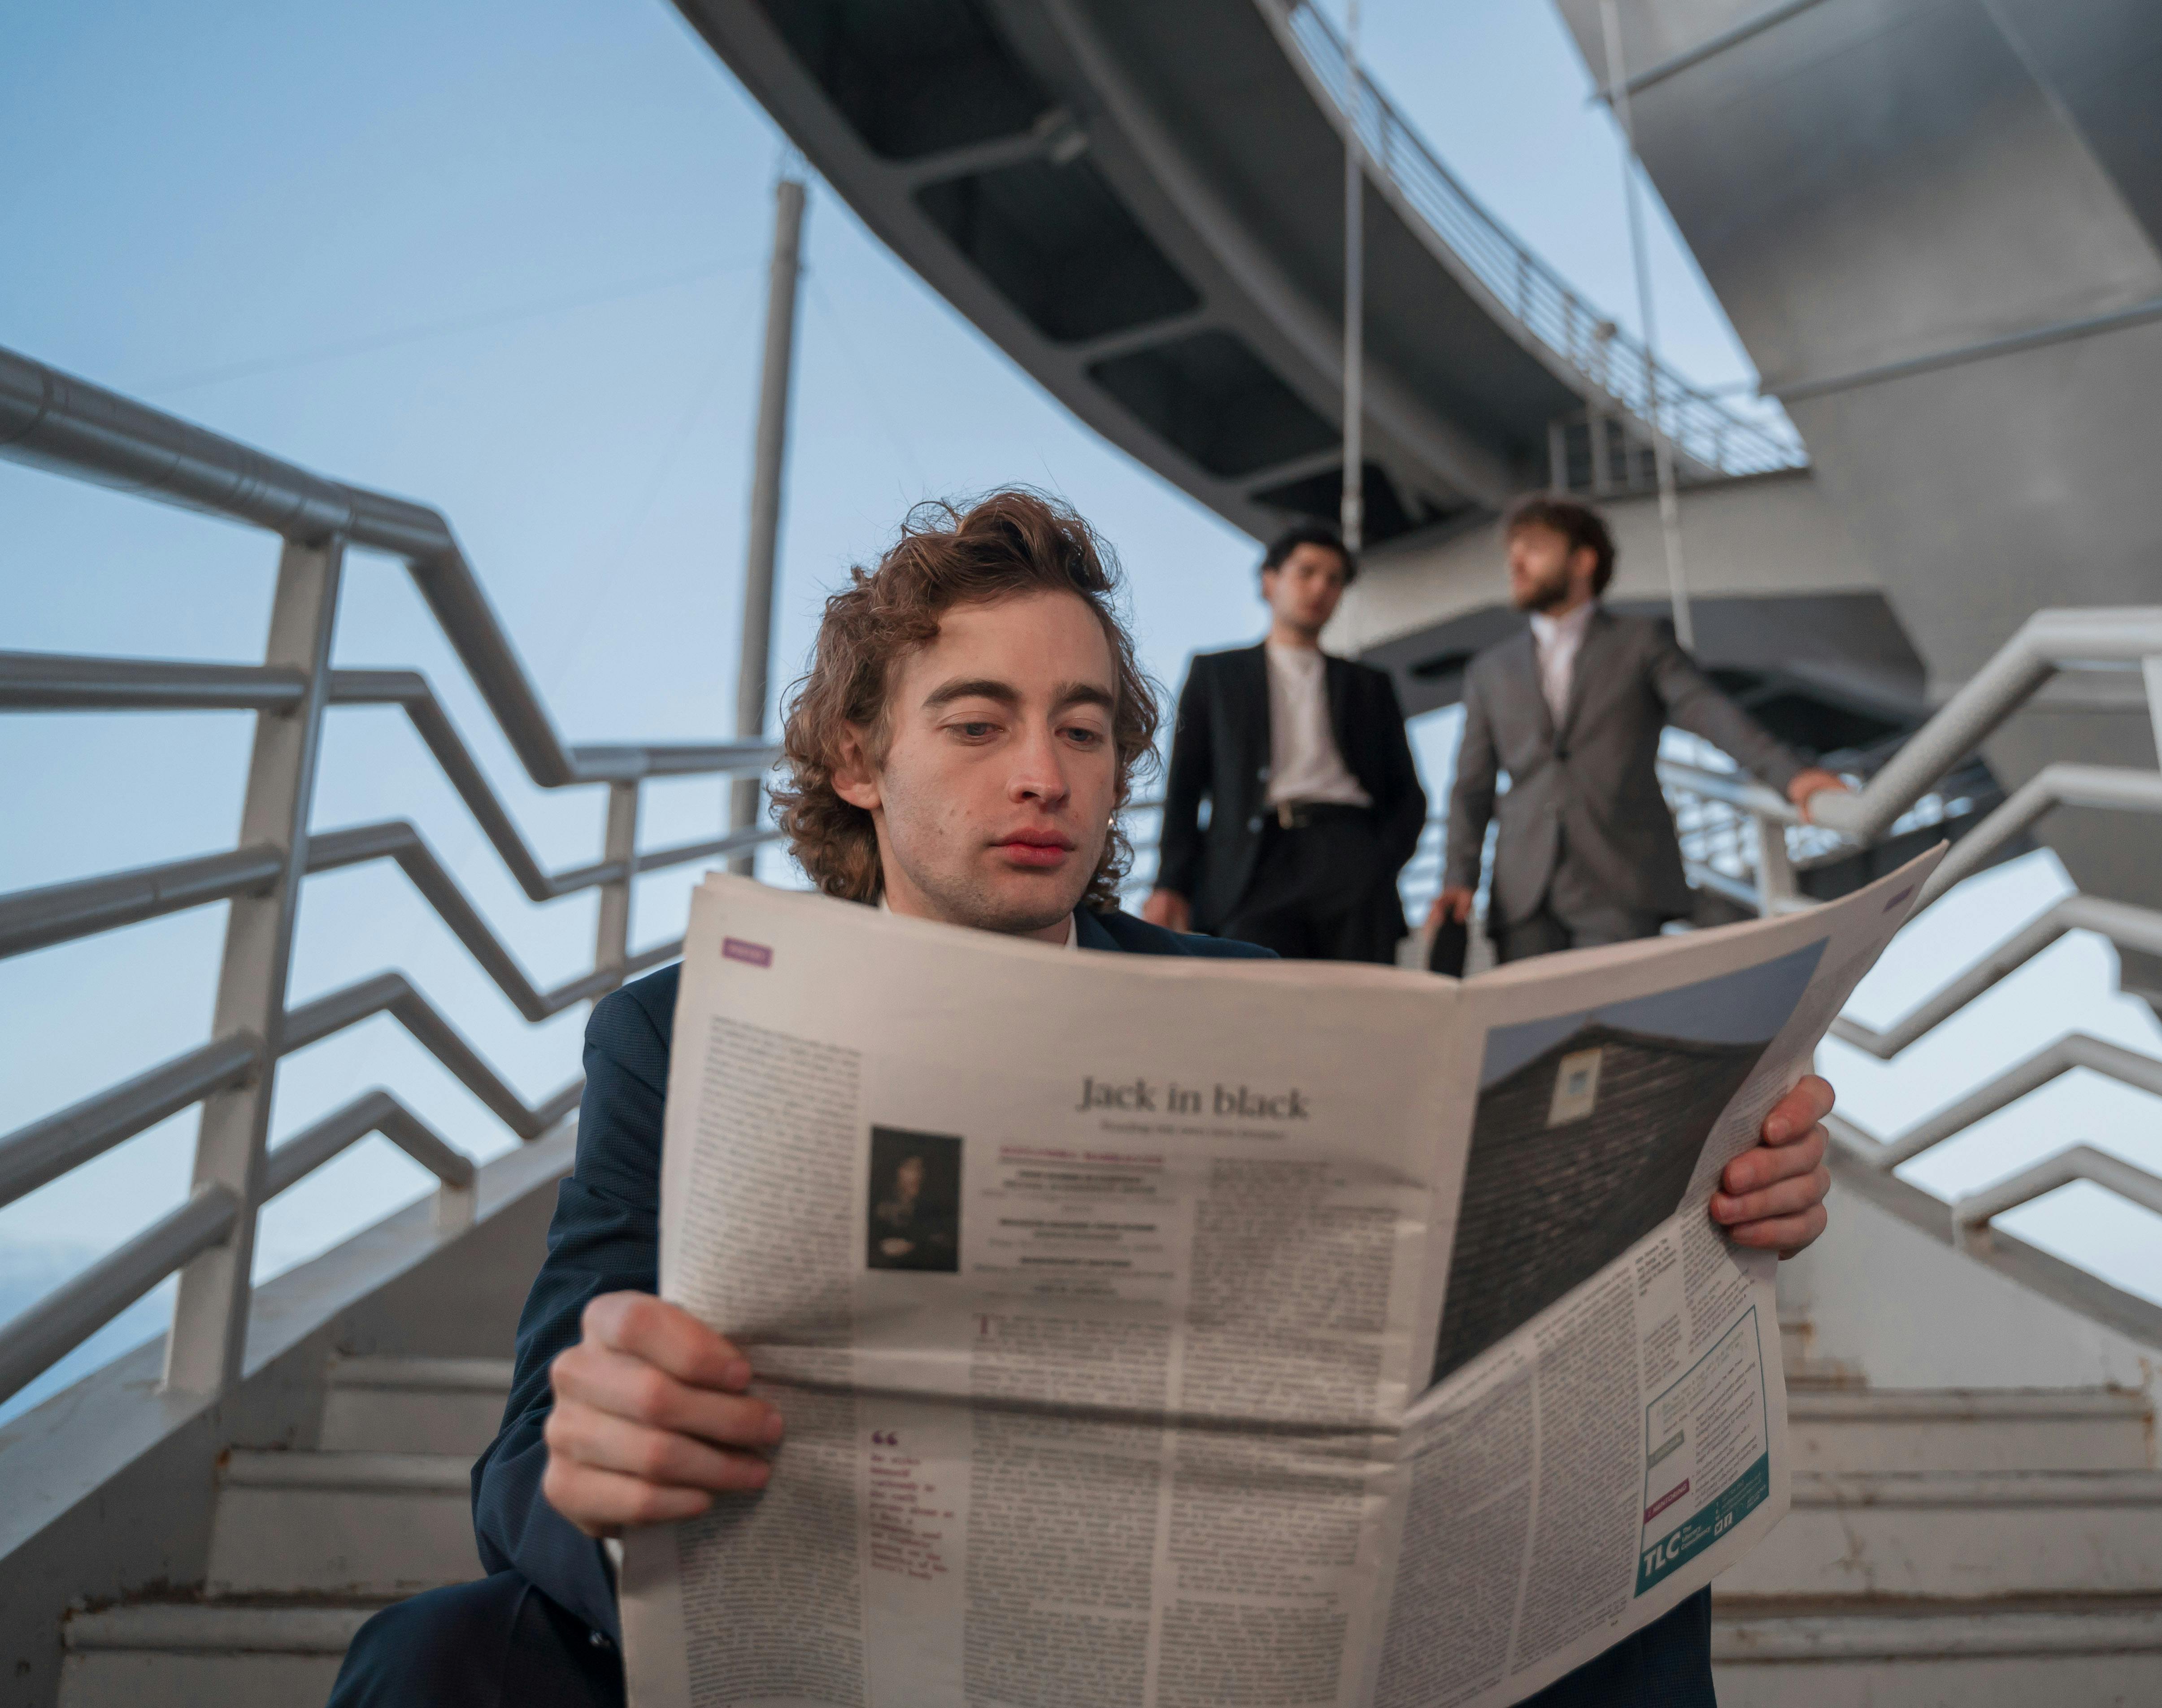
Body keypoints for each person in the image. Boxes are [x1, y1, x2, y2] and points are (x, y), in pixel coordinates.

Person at [327, 488, 1840, 1708]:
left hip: (1218, 1620)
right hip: (836, 1621)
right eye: (976, 722)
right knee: (437, 1657)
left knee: (1622, 1565)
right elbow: (524, 1457)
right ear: (859, 756)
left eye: (1083, 726)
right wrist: (599, 1466)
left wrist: (1714, 1193)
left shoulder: (1265, 1000)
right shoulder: (670, 1032)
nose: (1041, 772)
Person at [1427, 495, 1849, 963]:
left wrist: (1788, 774)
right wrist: (1456, 876)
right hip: (1523, 891)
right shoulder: (1490, 670)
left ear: (1582, 560)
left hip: (1619, 877)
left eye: (1533, 548)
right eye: (1513, 551)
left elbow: (1703, 707)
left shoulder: (1640, 641)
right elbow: (1471, 785)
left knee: (1619, 1025)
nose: (1516, 562)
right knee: (1528, 1033)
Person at [1143, 522, 1427, 960]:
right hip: (1252, 865)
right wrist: (1170, 882)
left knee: (1361, 1014)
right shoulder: (1215, 675)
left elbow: (1406, 793)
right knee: (1257, 1010)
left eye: (1334, 580)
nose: (1320, 588)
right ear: (1269, 581)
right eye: (1307, 572)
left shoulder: (1370, 685)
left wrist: (1378, 862)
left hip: (1350, 853)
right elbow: (1184, 787)